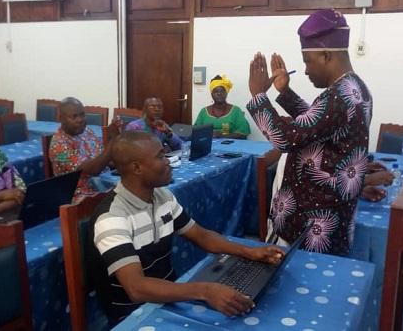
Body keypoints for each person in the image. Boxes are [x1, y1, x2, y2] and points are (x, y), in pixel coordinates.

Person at [89, 131, 285, 326]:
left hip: (169, 297)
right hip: (134, 315)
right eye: (160, 156)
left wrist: (250, 251)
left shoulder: (162, 197)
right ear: (137, 168)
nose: (169, 161)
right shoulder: (112, 217)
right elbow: (136, 288)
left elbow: (201, 236)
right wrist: (205, 291)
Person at [247, 9, 373, 256]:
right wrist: (284, 92)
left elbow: (286, 138)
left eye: (308, 61)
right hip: (329, 214)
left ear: (326, 55)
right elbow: (318, 125)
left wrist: (258, 96)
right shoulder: (353, 88)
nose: (305, 70)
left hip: (314, 224)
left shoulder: (338, 96)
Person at [49, 97, 115, 203]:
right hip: (81, 197)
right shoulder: (59, 144)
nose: (80, 120)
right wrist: (113, 142)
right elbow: (93, 170)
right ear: (60, 118)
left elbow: (105, 160)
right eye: (74, 116)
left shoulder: (87, 132)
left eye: (82, 115)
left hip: (103, 185)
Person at [194, 75, 251, 139]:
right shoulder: (204, 111)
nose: (219, 93)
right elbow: (196, 131)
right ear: (211, 94)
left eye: (222, 91)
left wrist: (222, 136)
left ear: (226, 93)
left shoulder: (236, 111)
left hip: (230, 145)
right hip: (207, 144)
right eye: (216, 91)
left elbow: (243, 132)